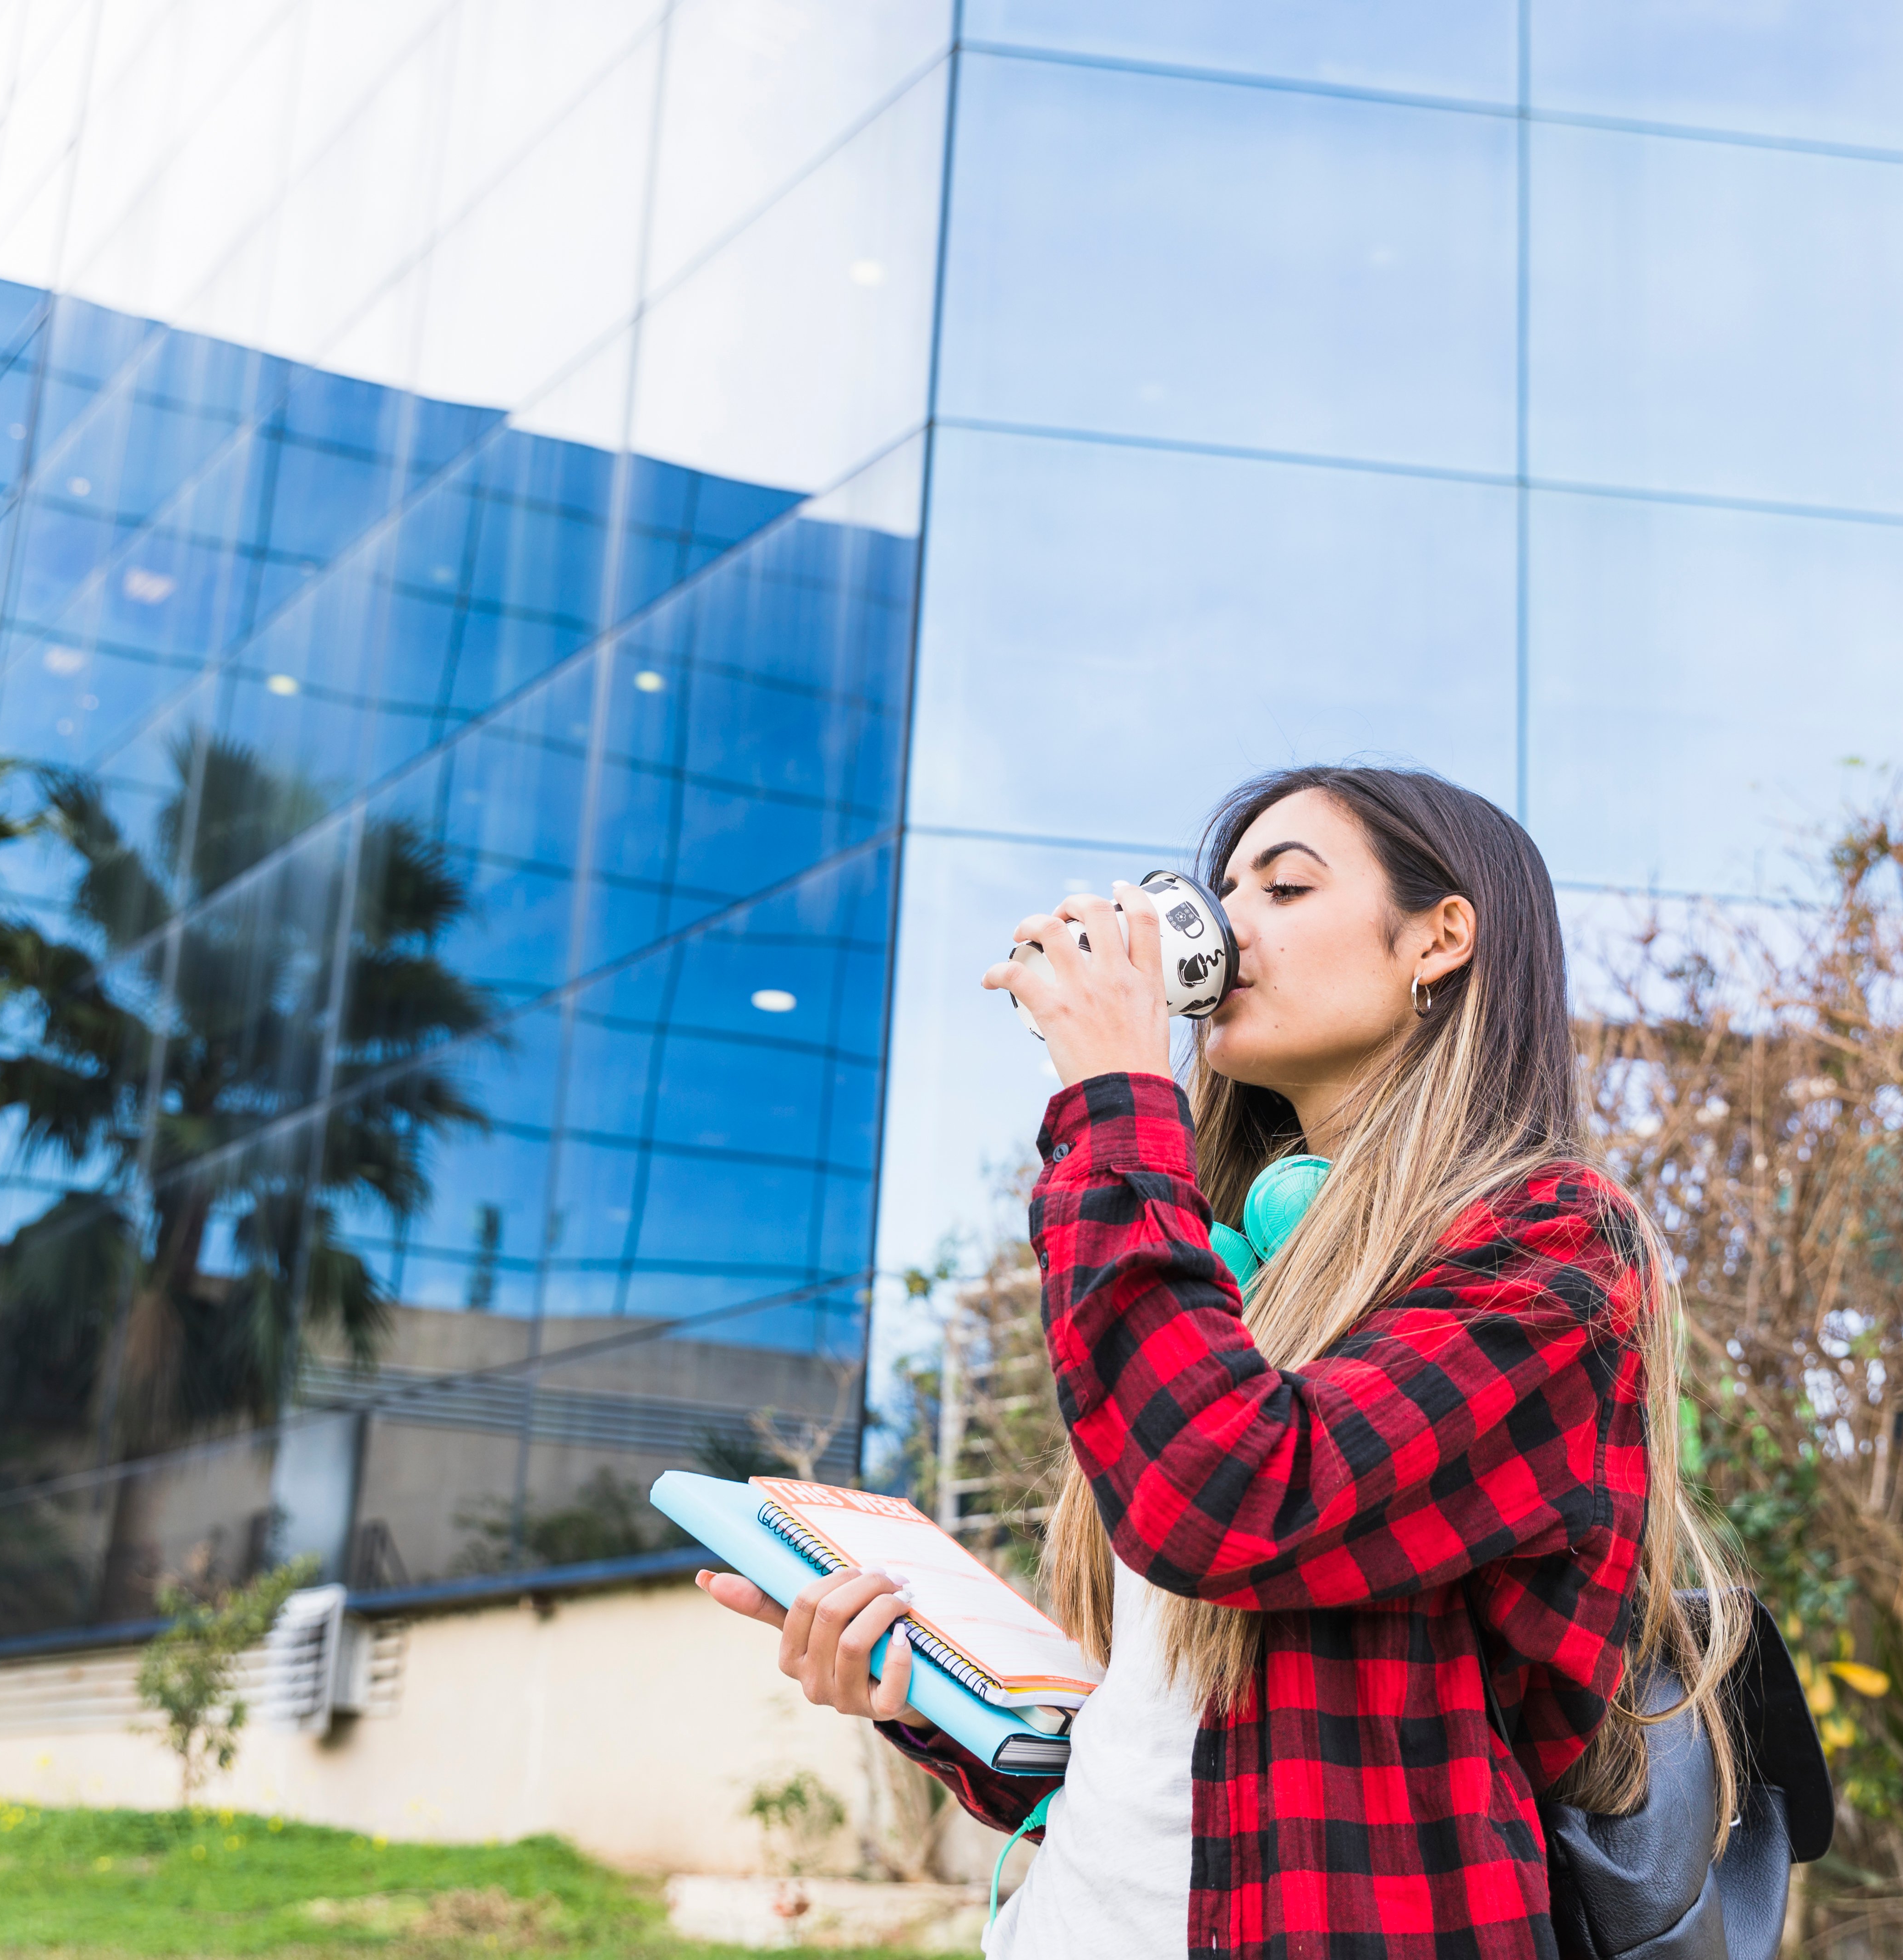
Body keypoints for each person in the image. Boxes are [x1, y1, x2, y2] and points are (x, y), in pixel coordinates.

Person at [696, 765, 1742, 1958]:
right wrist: (928, 1692)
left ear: (1441, 937)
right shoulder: (1223, 1257)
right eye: (1221, 887)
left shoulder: (1551, 1248)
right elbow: (1155, 1741)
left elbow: (1232, 1502)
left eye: (1285, 886)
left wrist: (1113, 1103)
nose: (1223, 922)